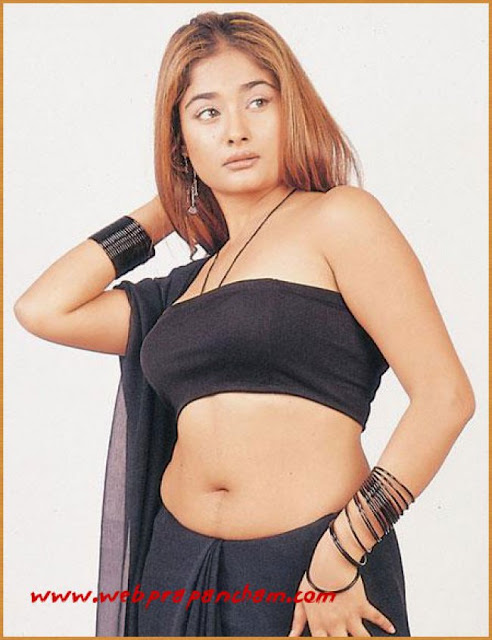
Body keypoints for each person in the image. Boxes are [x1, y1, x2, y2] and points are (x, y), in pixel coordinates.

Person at [14, 10, 475, 638]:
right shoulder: (183, 288)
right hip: (175, 569)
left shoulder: (339, 219)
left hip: (314, 570)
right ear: (180, 140)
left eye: (258, 101)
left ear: (292, 111)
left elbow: (445, 397)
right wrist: (169, 205)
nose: (236, 131)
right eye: (206, 113)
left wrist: (341, 554)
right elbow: (44, 309)